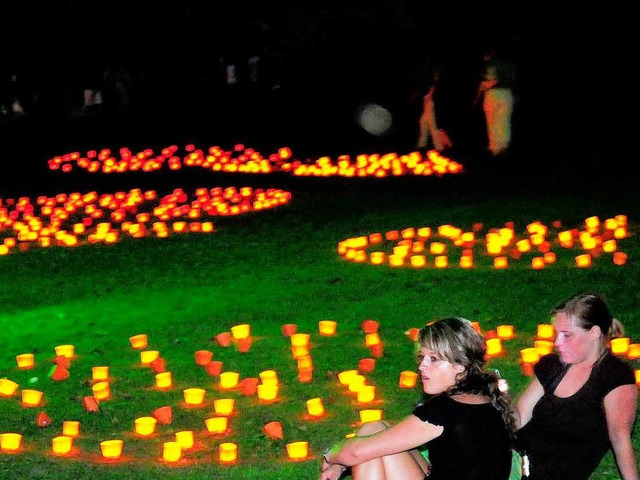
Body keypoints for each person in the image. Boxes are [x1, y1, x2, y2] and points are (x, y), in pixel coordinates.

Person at [320, 316, 517, 480]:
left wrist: (331, 455)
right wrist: (341, 464)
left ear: (460, 365)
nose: (422, 366)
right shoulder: (483, 397)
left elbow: (355, 452)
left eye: (433, 359)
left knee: (367, 452)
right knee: (375, 430)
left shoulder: (446, 410)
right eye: (421, 357)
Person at [515, 292, 639, 480]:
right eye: (557, 334)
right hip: (513, 457)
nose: (557, 342)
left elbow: (620, 439)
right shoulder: (552, 366)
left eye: (567, 335)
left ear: (594, 333)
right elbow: (519, 417)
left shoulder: (614, 377)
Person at [474, 48, 516, 157]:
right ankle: (504, 147)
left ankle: (495, 148)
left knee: (492, 121)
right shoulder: (510, 64)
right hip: (507, 93)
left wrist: (476, 98)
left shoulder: (488, 65)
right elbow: (513, 79)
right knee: (504, 120)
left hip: (493, 94)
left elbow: (484, 83)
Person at [416, 68, 453, 153]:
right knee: (423, 125)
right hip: (426, 107)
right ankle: (422, 145)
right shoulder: (429, 83)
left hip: (431, 107)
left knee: (434, 128)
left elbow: (433, 91)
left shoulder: (436, 84)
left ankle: (439, 147)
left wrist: (430, 93)